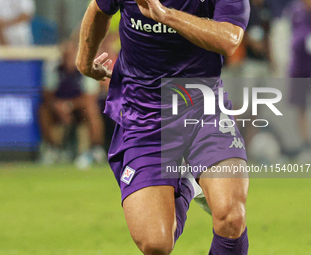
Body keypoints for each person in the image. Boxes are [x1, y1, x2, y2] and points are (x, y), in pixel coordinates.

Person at [76, 0, 250, 254]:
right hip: (143, 116)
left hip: (203, 109)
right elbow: (98, 9)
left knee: (231, 217)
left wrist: (166, 15)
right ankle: (187, 181)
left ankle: (188, 172)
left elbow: (230, 39)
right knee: (155, 244)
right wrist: (84, 61)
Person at [40, 40, 106, 168]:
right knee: (43, 110)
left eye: (72, 54)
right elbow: (48, 95)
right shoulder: (52, 68)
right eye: (66, 54)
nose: (69, 57)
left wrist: (68, 106)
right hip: (59, 107)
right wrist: (59, 107)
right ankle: (53, 149)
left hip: (79, 108)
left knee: (91, 109)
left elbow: (90, 97)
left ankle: (95, 148)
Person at [288, 0, 311, 159]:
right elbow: (295, 38)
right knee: (300, 108)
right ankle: (306, 146)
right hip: (299, 68)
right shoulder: (295, 11)